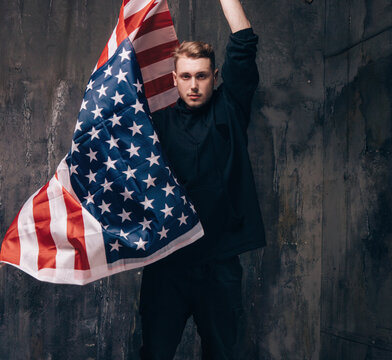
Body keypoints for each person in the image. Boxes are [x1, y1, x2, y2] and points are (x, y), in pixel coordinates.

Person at [139, 0, 265, 358]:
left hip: (219, 263)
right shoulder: (156, 125)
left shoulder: (230, 108)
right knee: (154, 352)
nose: (194, 85)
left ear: (214, 76)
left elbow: (243, 42)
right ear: (174, 79)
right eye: (186, 77)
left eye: (202, 76)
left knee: (222, 353)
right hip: (167, 264)